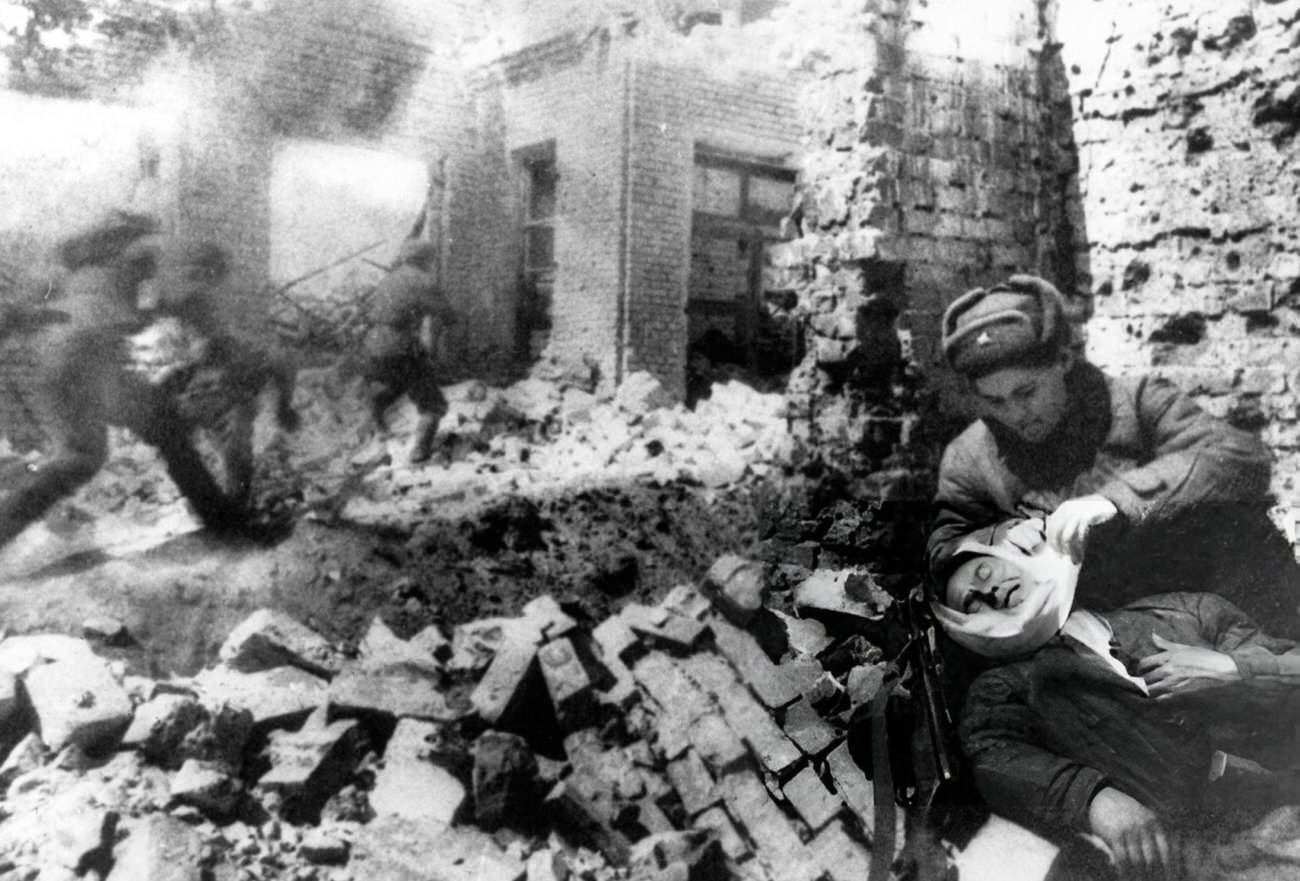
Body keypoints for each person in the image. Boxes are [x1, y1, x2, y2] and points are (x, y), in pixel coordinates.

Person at [927, 274, 1300, 637]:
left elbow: (1239, 457)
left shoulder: (1137, 401)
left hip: (1201, 599)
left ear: (1062, 361)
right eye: (995, 401)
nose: (1015, 414)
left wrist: (1115, 500)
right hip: (1091, 628)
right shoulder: (970, 456)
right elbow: (945, 552)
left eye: (1026, 392)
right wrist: (1002, 539)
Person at [936, 534, 1300, 880]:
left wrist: (1234, 670)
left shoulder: (1187, 610)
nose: (990, 590)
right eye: (973, 602)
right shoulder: (1004, 690)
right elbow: (991, 754)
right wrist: (1096, 799)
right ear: (967, 630)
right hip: (1219, 856)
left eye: (985, 571)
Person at [0, 213, 248, 551]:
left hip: (57, 360)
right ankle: (228, 530)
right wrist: (216, 341)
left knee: (79, 458)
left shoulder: (79, 266)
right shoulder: (155, 246)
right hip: (92, 355)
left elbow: (18, 311)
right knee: (167, 430)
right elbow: (184, 298)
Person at [122, 234, 300, 508]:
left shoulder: (188, 302)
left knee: (229, 448)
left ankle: (228, 504)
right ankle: (229, 504)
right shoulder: (190, 301)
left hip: (215, 389)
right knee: (230, 448)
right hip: (208, 386)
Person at [361, 238, 457, 464]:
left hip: (373, 344)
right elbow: (449, 316)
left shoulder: (389, 279)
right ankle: (420, 451)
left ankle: (377, 422)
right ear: (427, 259)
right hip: (400, 344)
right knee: (433, 404)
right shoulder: (423, 281)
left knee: (394, 385)